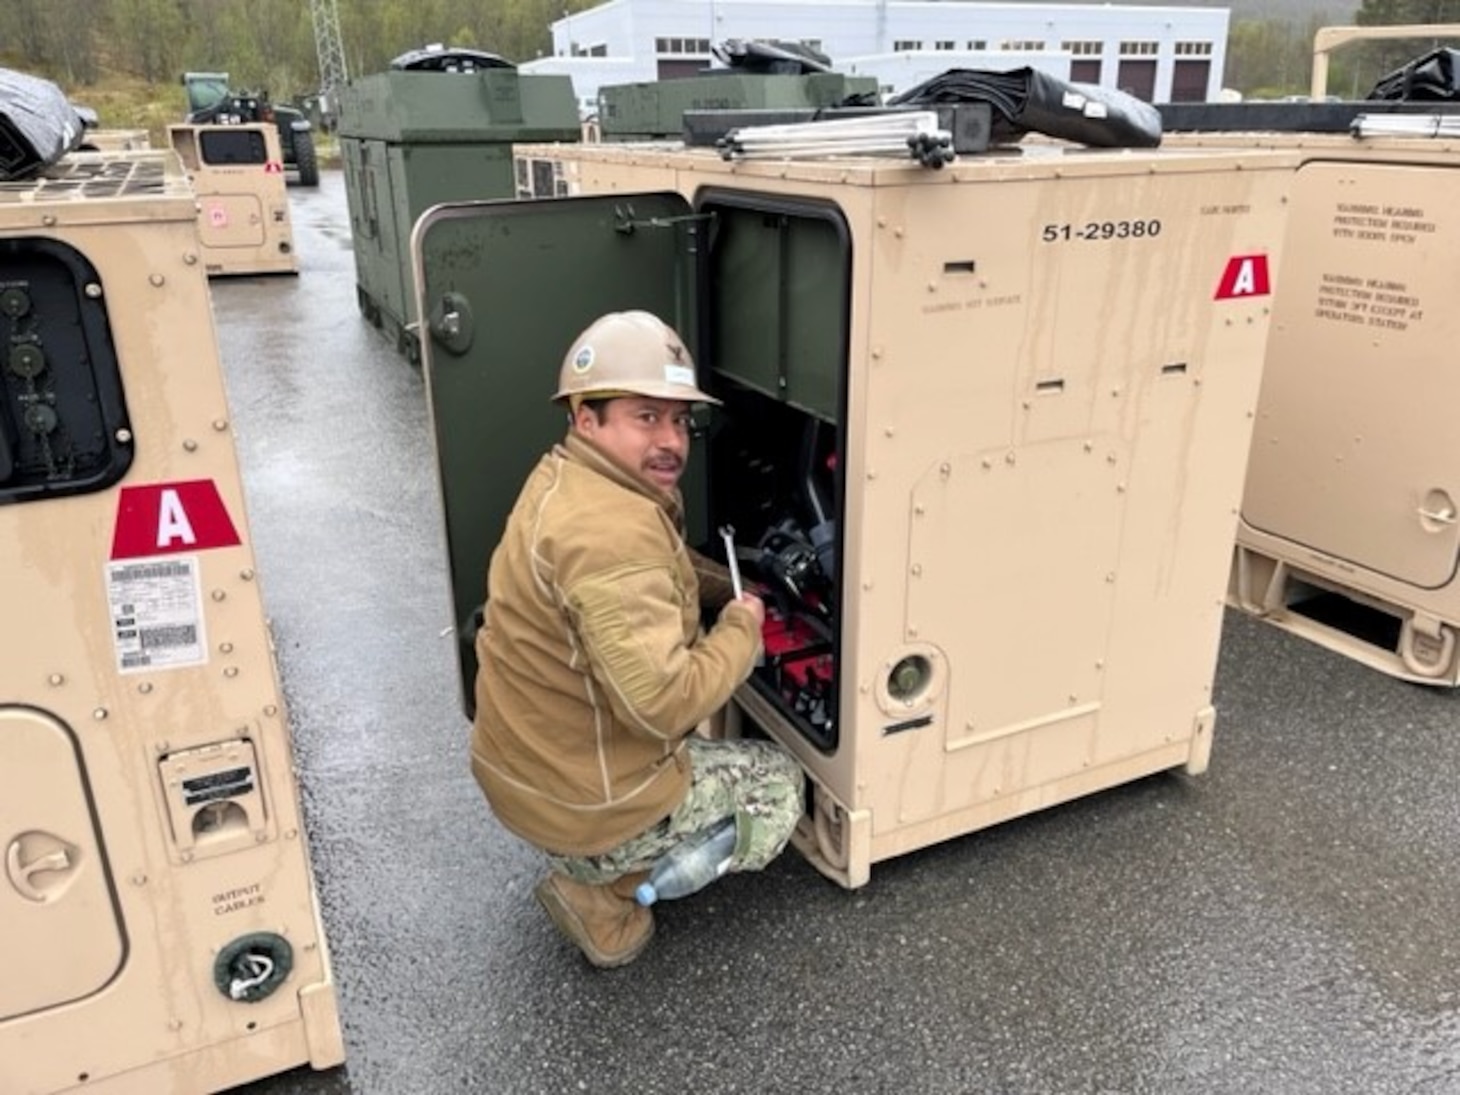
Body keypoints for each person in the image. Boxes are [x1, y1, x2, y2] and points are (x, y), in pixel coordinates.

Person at [469, 310, 805, 969]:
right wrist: (742, 627)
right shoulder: (610, 537)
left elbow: (661, 567)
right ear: (585, 416)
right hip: (581, 799)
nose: (671, 440)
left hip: (526, 769)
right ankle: (605, 892)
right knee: (778, 786)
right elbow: (663, 704)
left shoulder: (569, 481)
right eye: (645, 416)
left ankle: (594, 853)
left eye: (679, 420)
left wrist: (725, 583)